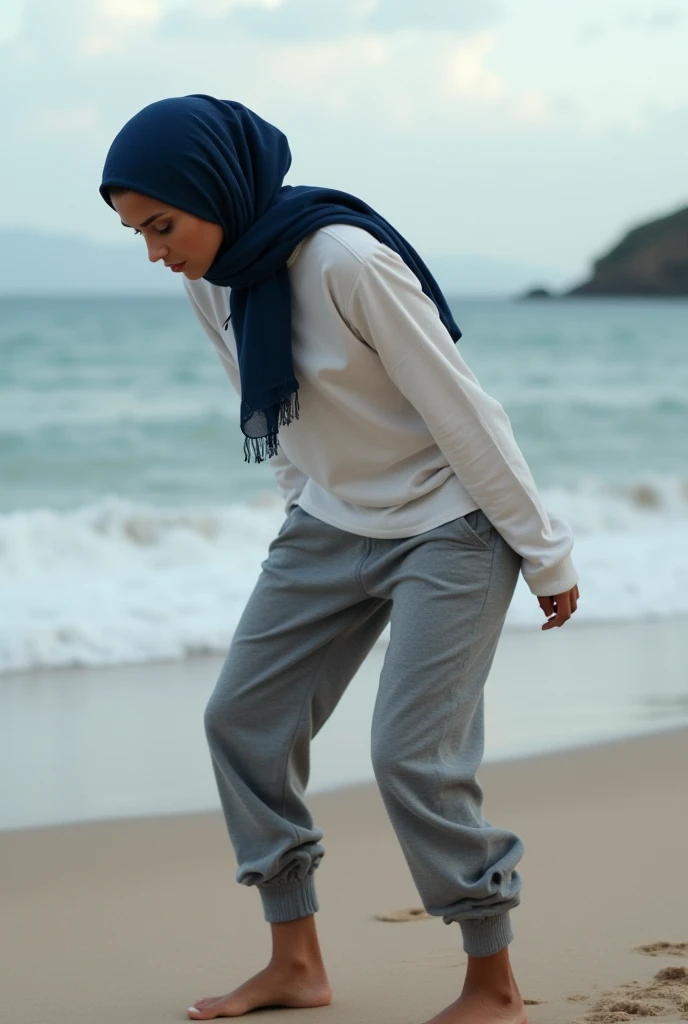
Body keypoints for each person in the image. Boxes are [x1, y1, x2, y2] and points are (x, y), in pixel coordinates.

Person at [100, 94, 579, 1024]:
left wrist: (545, 555)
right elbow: (269, 411)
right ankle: (296, 964)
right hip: (330, 527)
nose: (156, 252)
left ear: (216, 190)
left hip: (452, 528)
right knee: (243, 723)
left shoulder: (347, 261)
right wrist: (305, 507)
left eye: (162, 225)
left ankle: (495, 987)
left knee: (411, 753)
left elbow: (464, 412)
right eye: (136, 235)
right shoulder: (214, 278)